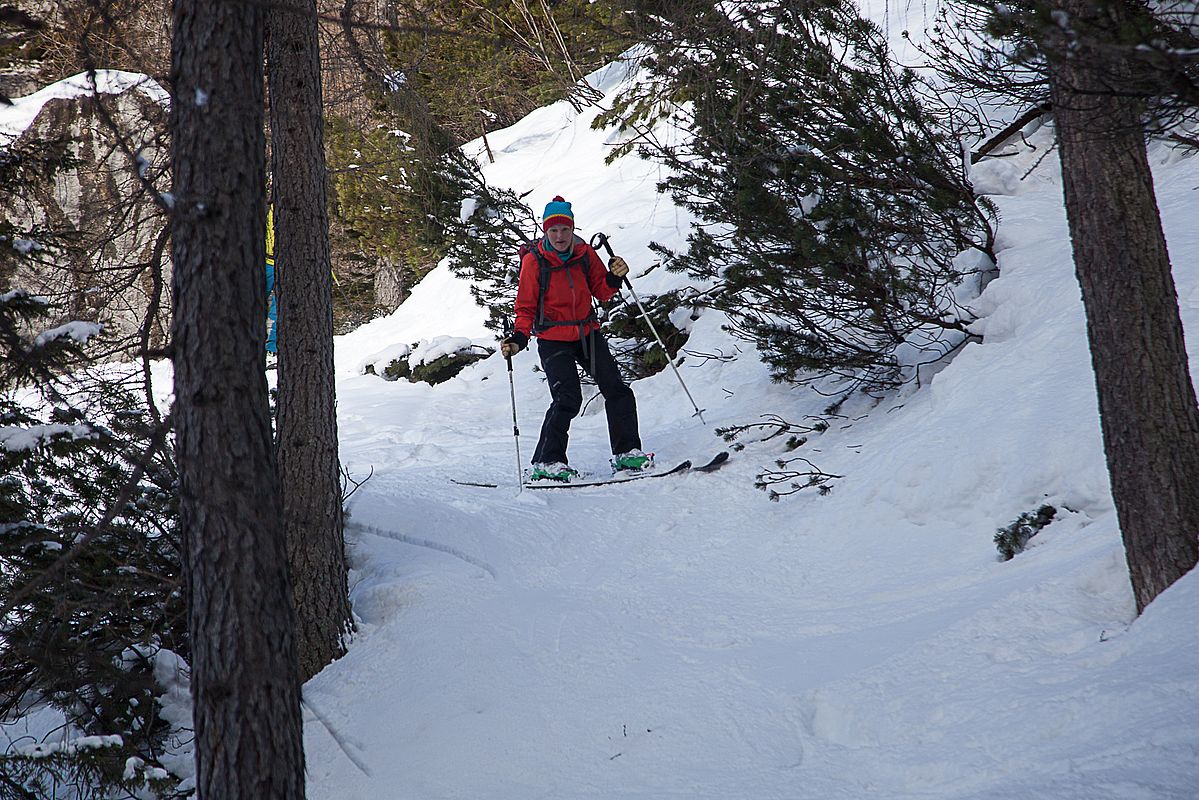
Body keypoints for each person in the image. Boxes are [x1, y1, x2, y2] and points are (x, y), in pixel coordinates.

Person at [501, 196, 652, 482]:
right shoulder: (535, 262)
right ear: (546, 231)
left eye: (565, 230)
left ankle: (627, 453)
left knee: (616, 389)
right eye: (553, 230)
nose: (559, 236)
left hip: (586, 332)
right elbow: (525, 307)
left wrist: (615, 277)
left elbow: (602, 291)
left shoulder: (584, 254)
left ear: (573, 230)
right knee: (567, 398)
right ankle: (547, 461)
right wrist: (519, 338)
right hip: (552, 338)